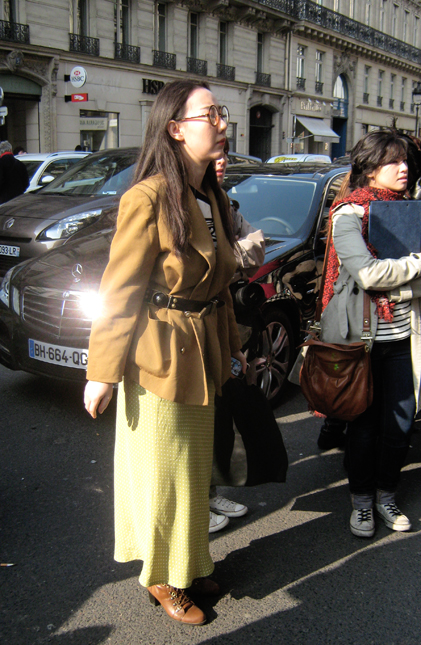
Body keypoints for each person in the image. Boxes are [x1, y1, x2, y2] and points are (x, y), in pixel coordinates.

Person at [84, 79, 246, 625]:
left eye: (221, 113)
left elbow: (218, 285)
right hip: (156, 358)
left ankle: (191, 561)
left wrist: (234, 347)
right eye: (211, 114)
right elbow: (120, 289)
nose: (222, 123)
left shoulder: (211, 195)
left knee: (193, 472)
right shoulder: (147, 196)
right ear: (175, 128)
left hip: (201, 352)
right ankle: (162, 576)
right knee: (162, 476)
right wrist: (101, 374)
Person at [320, 129, 421, 538]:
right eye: (394, 161)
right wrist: (416, 266)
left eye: (407, 160)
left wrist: (404, 282)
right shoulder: (348, 214)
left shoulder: (411, 212)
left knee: (400, 425)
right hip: (363, 341)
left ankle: (386, 494)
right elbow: (368, 273)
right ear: (371, 168)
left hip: (405, 338)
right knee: (364, 426)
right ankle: (361, 502)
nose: (405, 168)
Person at [209, 138, 266, 533]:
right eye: (214, 155)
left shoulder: (224, 203)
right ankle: (198, 502)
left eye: (225, 154)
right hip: (192, 327)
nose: (222, 162)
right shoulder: (179, 201)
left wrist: (227, 255)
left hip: (223, 315)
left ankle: (211, 493)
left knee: (222, 412)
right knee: (202, 418)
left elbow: (255, 246)